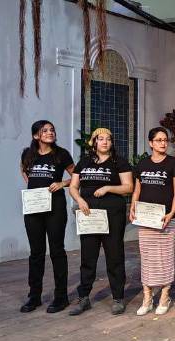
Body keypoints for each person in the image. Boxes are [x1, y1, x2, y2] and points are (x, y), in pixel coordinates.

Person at [68, 128, 134, 316]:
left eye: (108, 139)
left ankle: (118, 298)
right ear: (94, 143)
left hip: (113, 214)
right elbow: (73, 187)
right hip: (89, 215)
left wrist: (107, 188)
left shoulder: (119, 162)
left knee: (114, 256)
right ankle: (84, 298)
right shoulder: (84, 163)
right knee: (88, 257)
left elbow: (128, 187)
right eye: (101, 139)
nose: (105, 142)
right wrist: (79, 200)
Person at [19, 120, 75, 313]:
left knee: (57, 250)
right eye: (45, 131)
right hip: (34, 208)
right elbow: (23, 170)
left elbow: (77, 176)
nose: (50, 133)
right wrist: (33, 189)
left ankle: (61, 297)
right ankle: (34, 296)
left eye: (52, 129)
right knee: (36, 252)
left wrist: (62, 184)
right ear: (36, 135)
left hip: (55, 208)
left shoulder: (61, 154)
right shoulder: (28, 154)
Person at [130, 127, 175, 316]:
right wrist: (133, 207)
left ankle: (165, 296)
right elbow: (137, 189)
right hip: (146, 218)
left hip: (165, 218)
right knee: (147, 258)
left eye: (165, 140)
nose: (163, 143)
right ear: (151, 143)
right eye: (159, 140)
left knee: (165, 257)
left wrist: (172, 212)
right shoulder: (143, 164)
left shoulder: (173, 163)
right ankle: (147, 297)